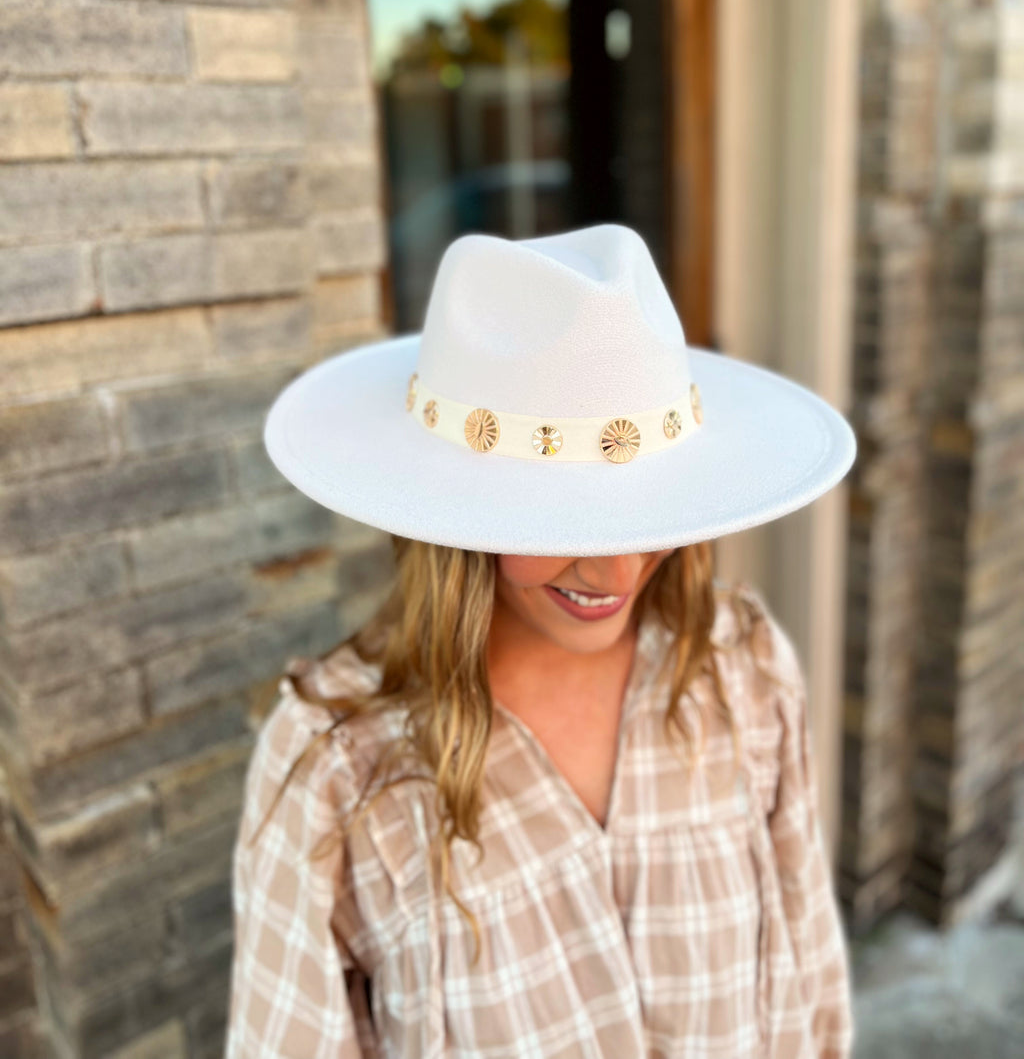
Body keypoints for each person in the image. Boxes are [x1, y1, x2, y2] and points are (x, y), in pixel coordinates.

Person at [226, 223, 857, 1058]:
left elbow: (809, 987)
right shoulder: (340, 772)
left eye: (652, 512)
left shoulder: (739, 670)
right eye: (562, 520)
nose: (620, 568)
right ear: (456, 519)